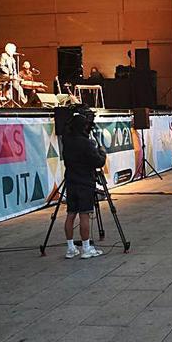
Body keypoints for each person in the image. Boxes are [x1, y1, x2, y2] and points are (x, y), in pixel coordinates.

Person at [61, 108, 107, 259]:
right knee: (85, 215)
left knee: (70, 214)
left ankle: (70, 248)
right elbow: (98, 161)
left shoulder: (66, 141)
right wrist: (101, 152)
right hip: (84, 182)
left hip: (70, 181)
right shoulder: (86, 144)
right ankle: (86, 249)